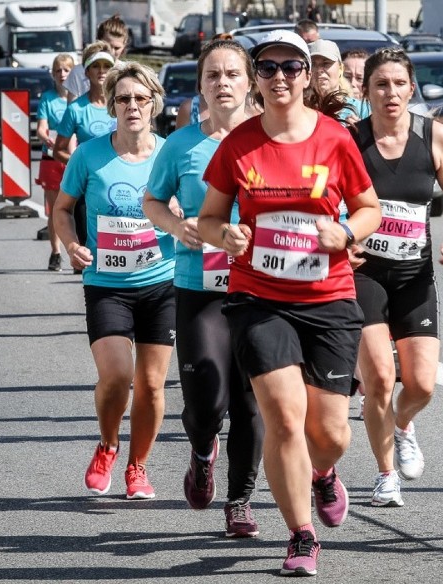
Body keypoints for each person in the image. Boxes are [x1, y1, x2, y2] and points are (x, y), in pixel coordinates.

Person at [197, 30, 381, 576]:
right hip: (259, 296)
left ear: (306, 74)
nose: (280, 77)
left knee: (329, 433)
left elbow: (368, 207)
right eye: (269, 67)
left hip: (329, 298)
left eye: (291, 67)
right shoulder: (239, 144)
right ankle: (301, 535)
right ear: (257, 77)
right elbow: (209, 217)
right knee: (282, 417)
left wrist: (345, 233)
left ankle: (323, 472)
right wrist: (223, 237)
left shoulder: (335, 139)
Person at [142, 39, 265, 538]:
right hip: (200, 285)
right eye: (212, 75)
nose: (223, 83)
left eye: (232, 74)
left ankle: (239, 501)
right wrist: (175, 226)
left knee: (251, 400)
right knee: (207, 398)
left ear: (249, 81)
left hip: (261, 288)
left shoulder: (267, 140)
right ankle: (201, 451)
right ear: (200, 86)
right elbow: (152, 201)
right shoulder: (182, 145)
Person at [52, 62, 174, 500]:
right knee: (117, 377)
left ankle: (138, 467)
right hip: (107, 283)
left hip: (163, 281)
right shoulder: (89, 155)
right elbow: (63, 208)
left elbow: (201, 205)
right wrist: (71, 245)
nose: (133, 106)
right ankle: (107, 444)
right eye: (124, 99)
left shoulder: (169, 154)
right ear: (110, 104)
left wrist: (182, 216)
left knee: (153, 384)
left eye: (141, 98)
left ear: (154, 102)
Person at [352, 47, 443, 507]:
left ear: (411, 88)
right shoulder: (350, 139)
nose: (391, 92)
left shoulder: (432, 135)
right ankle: (385, 477)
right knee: (379, 378)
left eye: (399, 84)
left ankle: (402, 425)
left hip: (415, 274)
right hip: (365, 275)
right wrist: (345, 237)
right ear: (366, 91)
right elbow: (326, 199)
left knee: (420, 384)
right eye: (381, 84)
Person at [54, 42, 118, 272]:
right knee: (88, 253)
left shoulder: (122, 104)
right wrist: (80, 166)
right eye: (96, 66)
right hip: (87, 189)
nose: (101, 71)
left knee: (123, 246)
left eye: (106, 66)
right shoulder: (77, 109)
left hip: (121, 183)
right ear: (87, 72)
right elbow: (58, 149)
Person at [36, 53, 74, 272]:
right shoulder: (48, 98)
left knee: (78, 208)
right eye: (58, 70)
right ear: (53, 74)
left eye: (66, 70)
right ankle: (56, 252)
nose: (62, 74)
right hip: (51, 157)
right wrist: (44, 137)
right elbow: (41, 126)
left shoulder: (78, 98)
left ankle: (78, 250)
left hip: (72, 158)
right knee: (54, 208)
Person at [63, 15, 129, 100]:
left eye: (117, 48)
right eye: (108, 45)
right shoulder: (79, 72)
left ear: (124, 47)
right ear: (98, 41)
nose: (112, 52)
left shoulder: (127, 73)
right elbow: (71, 109)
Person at [307, 39, 369, 121]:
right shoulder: (298, 109)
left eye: (326, 63)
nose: (319, 70)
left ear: (341, 69)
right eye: (313, 64)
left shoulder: (362, 110)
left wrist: (362, 131)